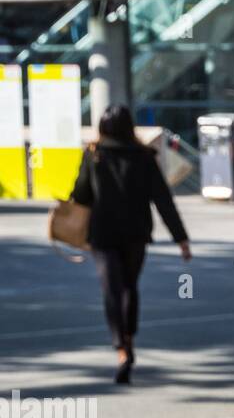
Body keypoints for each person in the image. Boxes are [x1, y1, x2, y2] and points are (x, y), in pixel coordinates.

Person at [70, 104, 190, 384]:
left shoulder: (94, 154)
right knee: (128, 287)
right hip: (136, 233)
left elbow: (81, 194)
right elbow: (163, 200)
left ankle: (121, 348)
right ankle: (129, 340)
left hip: (103, 233)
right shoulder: (144, 156)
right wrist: (181, 238)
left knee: (111, 289)